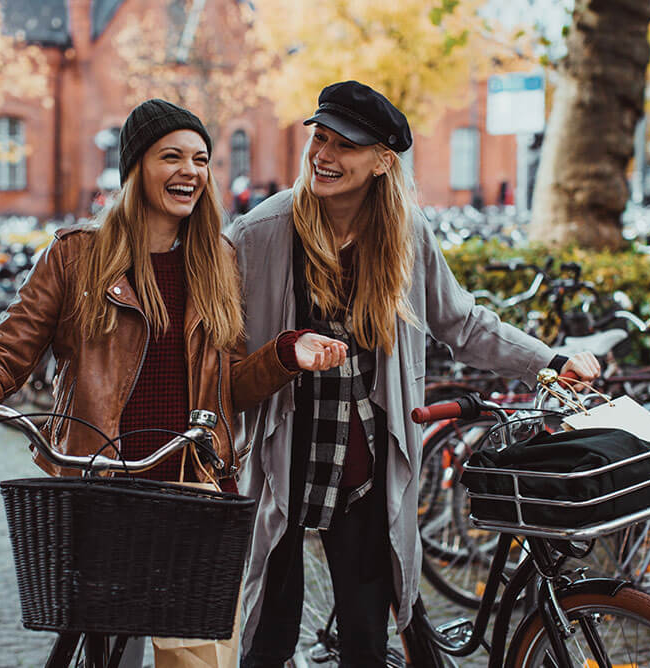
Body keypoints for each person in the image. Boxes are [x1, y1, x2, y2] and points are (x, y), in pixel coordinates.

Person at [0, 98, 347, 668]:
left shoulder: (217, 262)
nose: (191, 171)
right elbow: (8, 356)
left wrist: (287, 353)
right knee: (111, 656)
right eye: (172, 157)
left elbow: (227, 386)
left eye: (201, 159)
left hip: (193, 489)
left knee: (198, 661)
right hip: (101, 487)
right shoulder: (76, 256)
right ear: (135, 168)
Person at [229, 80, 601, 667]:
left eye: (344, 144)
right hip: (283, 458)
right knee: (265, 634)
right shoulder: (261, 233)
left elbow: (465, 323)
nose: (323, 155)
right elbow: (217, 344)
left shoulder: (404, 233)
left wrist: (550, 360)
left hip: (363, 466)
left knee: (365, 636)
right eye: (319, 138)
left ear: (382, 161)